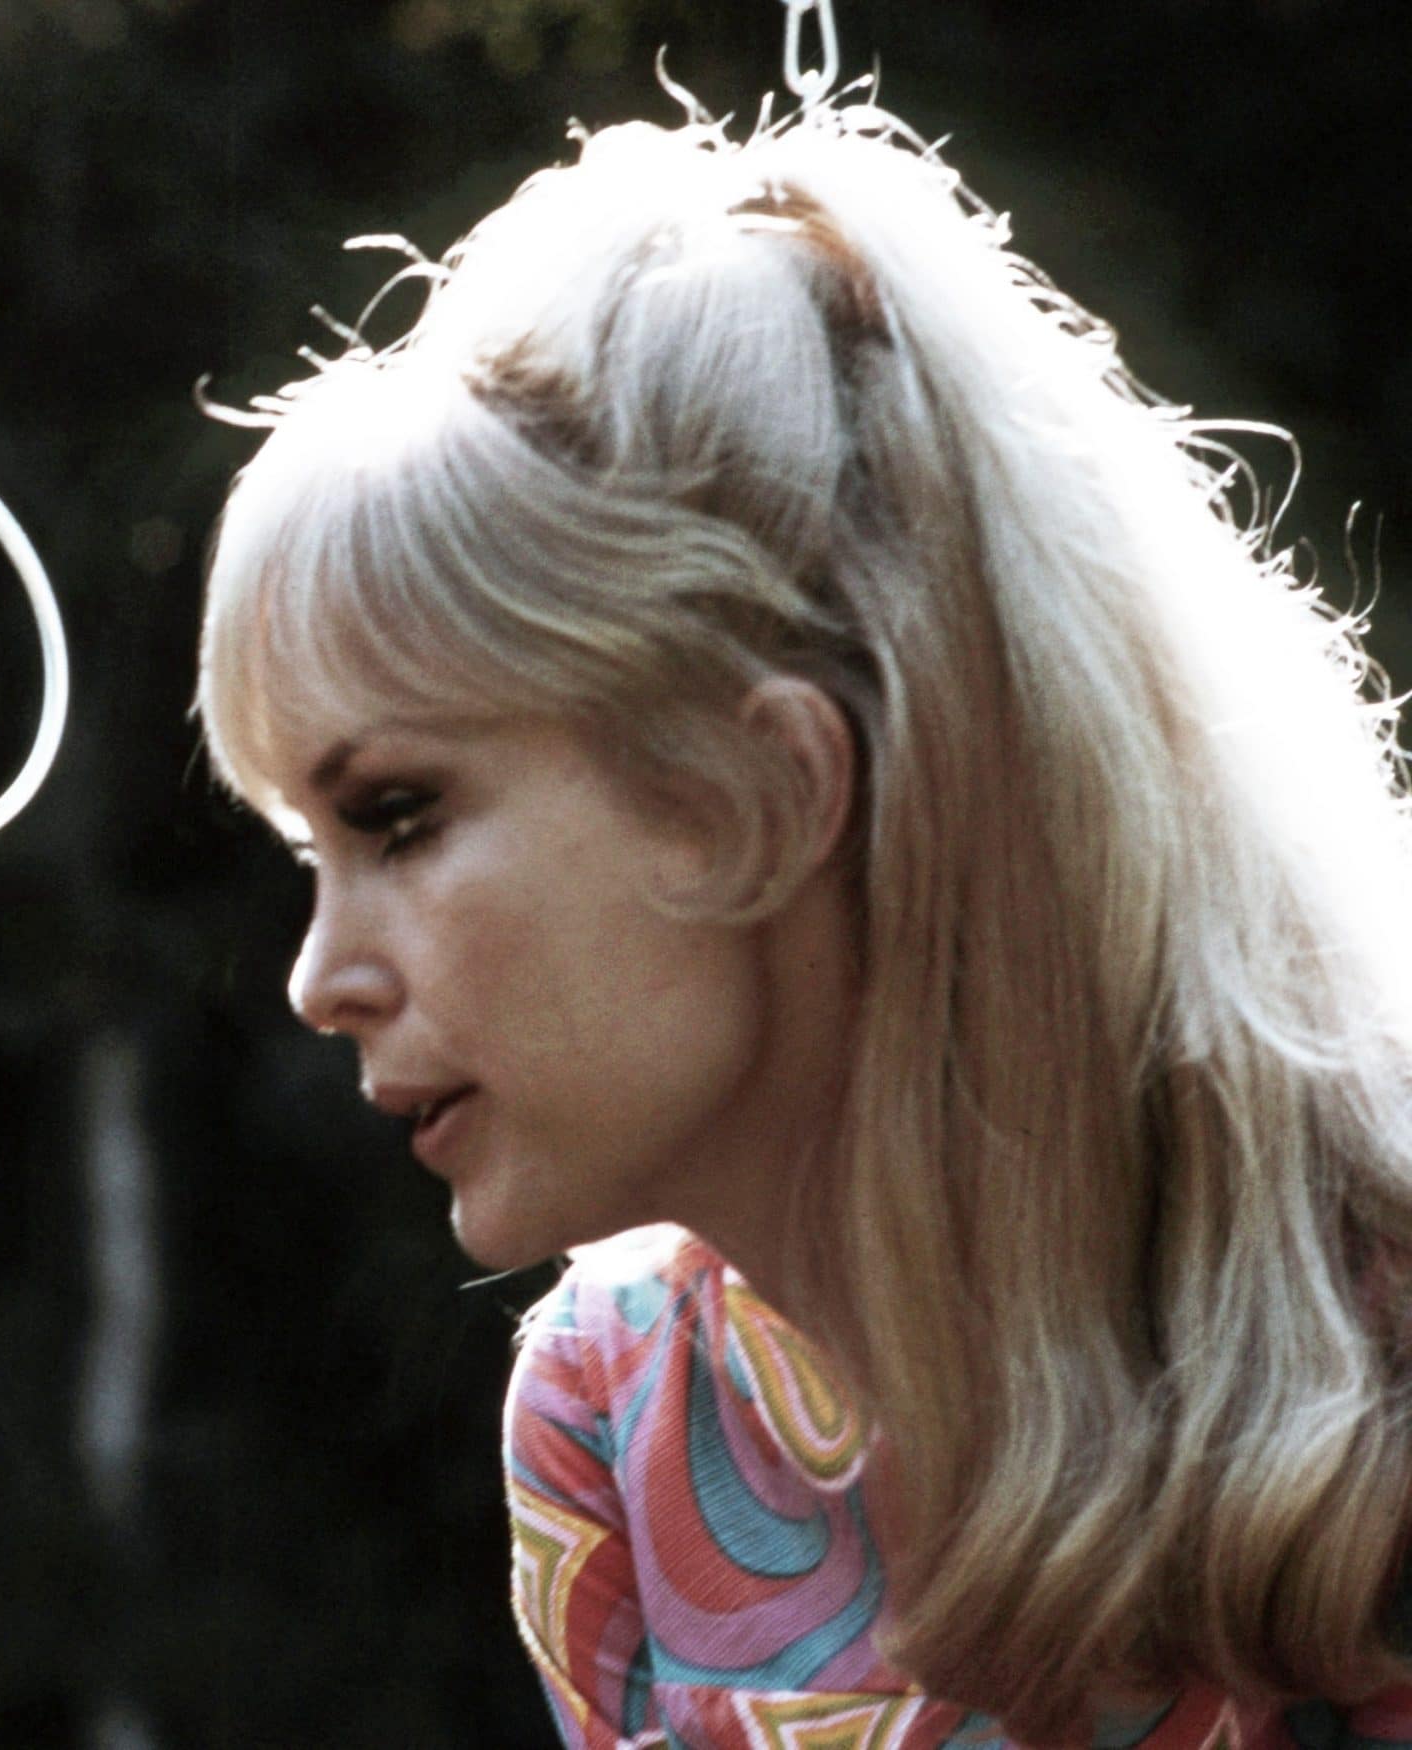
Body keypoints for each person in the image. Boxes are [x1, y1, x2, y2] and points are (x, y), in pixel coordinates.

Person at [197, 97, 1412, 1747]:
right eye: (309, 851)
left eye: (399, 818)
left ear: (754, 787)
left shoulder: (1381, 1336)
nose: (320, 980)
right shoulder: (616, 1411)